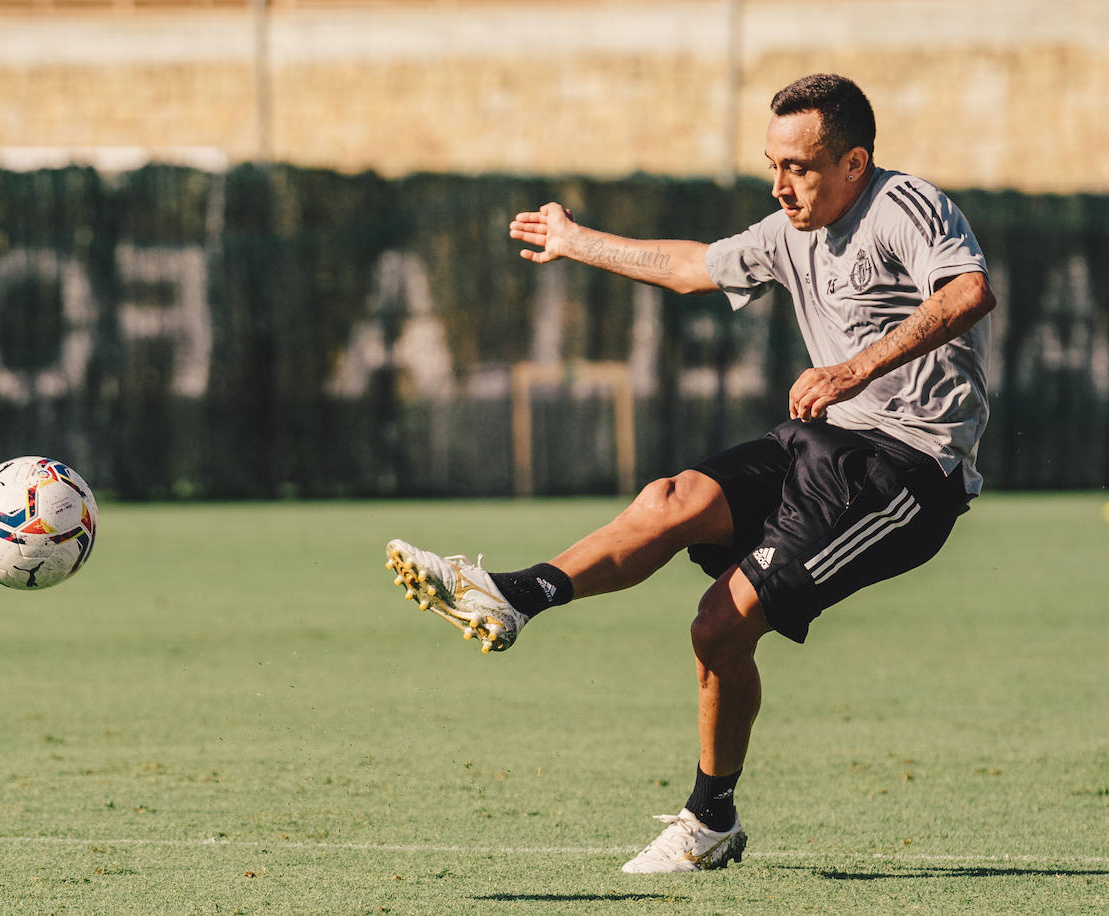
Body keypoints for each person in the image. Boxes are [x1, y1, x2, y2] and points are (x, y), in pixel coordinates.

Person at [384, 73, 995, 874]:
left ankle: (709, 822)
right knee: (669, 500)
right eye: (771, 164)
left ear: (854, 162)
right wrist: (577, 241)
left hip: (907, 472)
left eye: (799, 167)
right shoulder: (790, 227)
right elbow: (691, 267)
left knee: (718, 625)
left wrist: (852, 369)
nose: (780, 185)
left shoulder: (903, 206)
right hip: (825, 436)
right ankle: (512, 597)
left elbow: (969, 291)